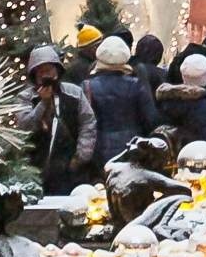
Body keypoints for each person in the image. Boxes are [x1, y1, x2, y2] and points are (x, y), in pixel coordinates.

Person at [22, 46, 92, 194]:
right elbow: (25, 126)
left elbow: (87, 123)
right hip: (37, 169)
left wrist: (81, 156)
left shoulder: (74, 93)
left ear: (57, 70)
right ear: (34, 74)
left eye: (50, 70)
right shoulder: (26, 98)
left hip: (70, 168)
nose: (46, 75)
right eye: (42, 71)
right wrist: (43, 103)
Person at [84, 36, 151, 169]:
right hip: (133, 146)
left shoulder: (88, 87)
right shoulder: (136, 85)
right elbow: (149, 118)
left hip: (99, 148)